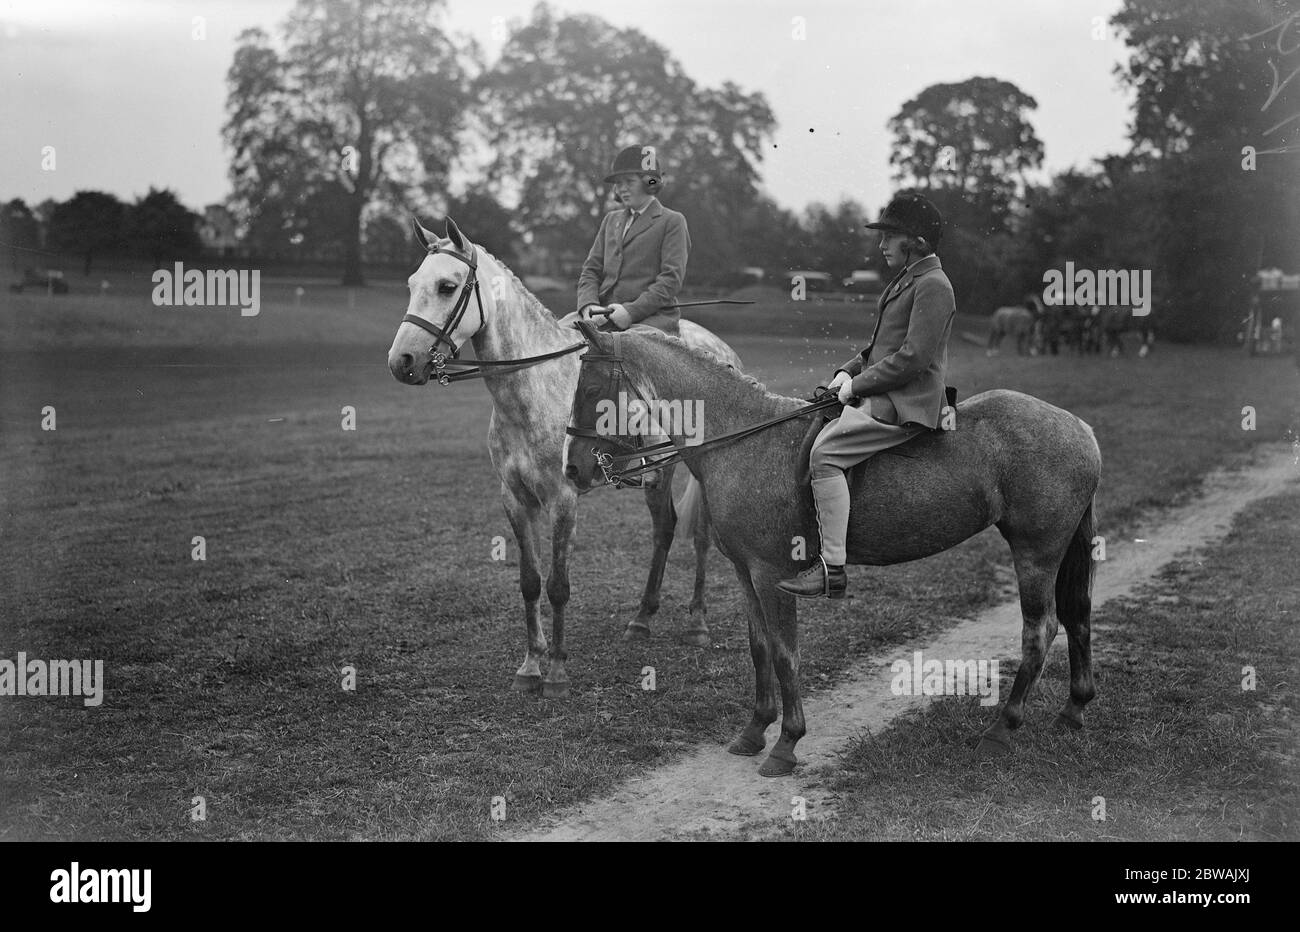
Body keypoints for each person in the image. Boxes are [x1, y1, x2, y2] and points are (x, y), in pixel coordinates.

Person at [777, 193, 956, 600]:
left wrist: (855, 388)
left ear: (917, 241)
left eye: (891, 236)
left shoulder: (934, 285)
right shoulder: (908, 278)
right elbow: (879, 348)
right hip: (886, 389)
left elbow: (913, 359)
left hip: (907, 400)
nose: (882, 244)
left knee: (824, 455)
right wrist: (847, 371)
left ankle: (832, 568)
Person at [559, 144, 690, 336]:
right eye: (618, 183)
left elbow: (670, 280)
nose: (622, 189)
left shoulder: (672, 221)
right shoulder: (610, 220)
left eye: (629, 181)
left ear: (650, 183)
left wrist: (631, 312)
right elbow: (591, 271)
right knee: (550, 339)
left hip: (649, 319)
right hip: (600, 315)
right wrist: (589, 307)